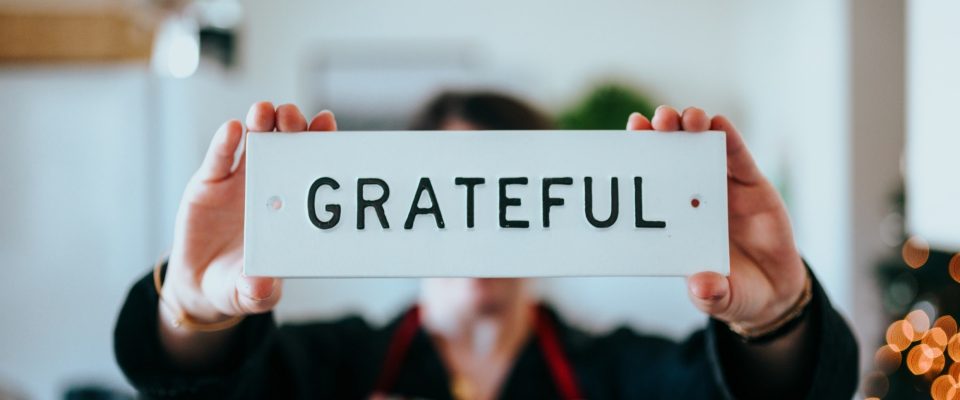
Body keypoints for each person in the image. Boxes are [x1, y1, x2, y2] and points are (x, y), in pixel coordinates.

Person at [114, 91, 858, 399]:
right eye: (455, 185)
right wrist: (193, 310)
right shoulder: (330, 365)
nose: (482, 221)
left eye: (510, 191)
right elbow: (198, 390)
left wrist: (777, 316)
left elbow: (765, 394)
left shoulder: (622, 372)